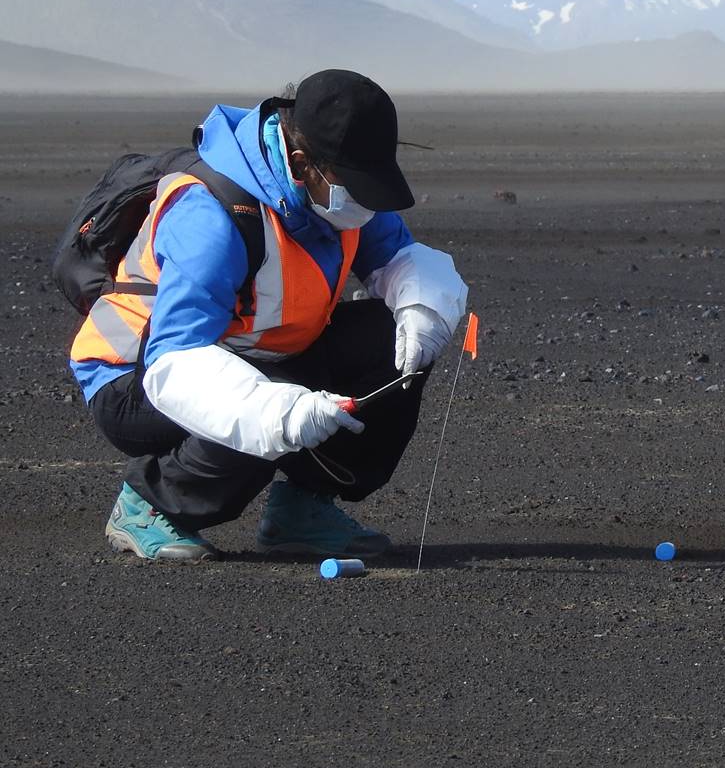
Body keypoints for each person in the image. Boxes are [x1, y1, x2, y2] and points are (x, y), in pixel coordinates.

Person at [70, 70, 468, 561]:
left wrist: (425, 308)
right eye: (356, 185)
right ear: (302, 164)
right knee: (272, 396)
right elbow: (175, 361)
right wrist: (279, 410)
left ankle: (302, 509)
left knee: (395, 342)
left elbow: (397, 260)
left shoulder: (343, 191)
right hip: (135, 378)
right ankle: (154, 504)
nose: (367, 202)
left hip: (261, 351)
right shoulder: (211, 218)